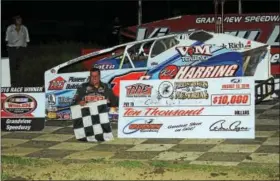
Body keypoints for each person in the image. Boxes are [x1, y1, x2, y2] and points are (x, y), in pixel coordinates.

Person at [5, 15, 30, 86]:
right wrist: (9, 48)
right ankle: (13, 81)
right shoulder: (10, 28)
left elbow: (27, 39)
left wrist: (24, 48)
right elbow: (7, 39)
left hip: (21, 48)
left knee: (21, 65)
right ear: (14, 20)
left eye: (20, 20)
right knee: (12, 65)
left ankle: (21, 82)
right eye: (18, 20)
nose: (19, 21)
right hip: (12, 48)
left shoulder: (24, 28)